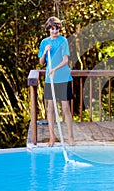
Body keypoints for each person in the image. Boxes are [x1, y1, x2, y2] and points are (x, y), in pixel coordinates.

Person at [38, 16, 75, 147]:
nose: (55, 31)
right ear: (48, 29)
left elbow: (65, 60)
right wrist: (45, 52)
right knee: (50, 108)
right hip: (50, 80)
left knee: (66, 108)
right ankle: (52, 138)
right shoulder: (44, 42)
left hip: (63, 78)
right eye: (52, 29)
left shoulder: (63, 41)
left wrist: (54, 69)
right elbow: (41, 62)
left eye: (57, 29)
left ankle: (70, 137)